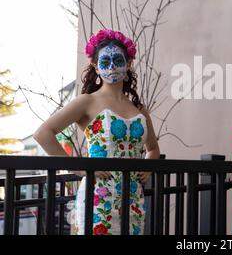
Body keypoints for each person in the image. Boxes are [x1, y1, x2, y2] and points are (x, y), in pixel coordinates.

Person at [33, 29, 160, 235]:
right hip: (98, 195)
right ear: (95, 66)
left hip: (133, 196)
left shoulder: (139, 108)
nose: (111, 66)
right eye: (105, 61)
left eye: (118, 60)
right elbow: (43, 134)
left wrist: (148, 167)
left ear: (128, 64)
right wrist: (80, 168)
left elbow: (153, 148)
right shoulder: (87, 101)